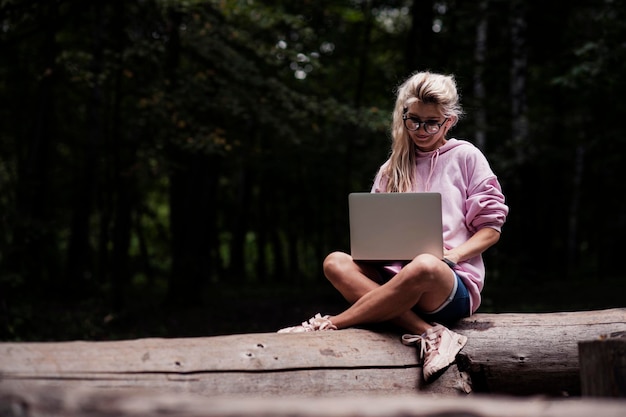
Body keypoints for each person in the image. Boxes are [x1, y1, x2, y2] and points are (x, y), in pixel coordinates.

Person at [277, 71, 509, 382]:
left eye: (431, 122)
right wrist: (372, 252)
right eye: (413, 120)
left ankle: (330, 324)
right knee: (335, 261)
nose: (420, 129)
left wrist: (450, 258)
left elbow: (491, 230)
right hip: (394, 280)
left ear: (449, 122)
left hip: (446, 285)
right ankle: (429, 332)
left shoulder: (466, 156)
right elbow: (373, 233)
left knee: (424, 264)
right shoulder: (392, 167)